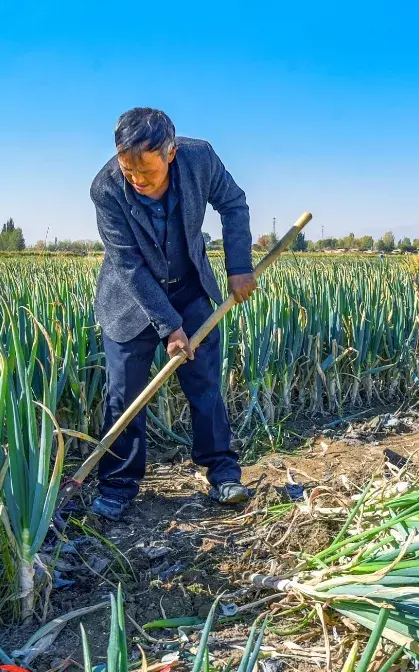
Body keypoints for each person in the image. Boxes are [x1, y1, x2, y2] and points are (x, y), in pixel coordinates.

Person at [88, 107, 257, 521]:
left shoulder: (200, 160)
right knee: (123, 394)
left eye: (147, 171)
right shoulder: (107, 188)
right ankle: (118, 485)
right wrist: (170, 327)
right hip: (131, 300)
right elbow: (128, 266)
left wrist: (239, 266)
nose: (138, 181)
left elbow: (234, 204)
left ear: (171, 152)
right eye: (130, 171)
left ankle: (221, 471)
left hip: (189, 286)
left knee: (205, 384)